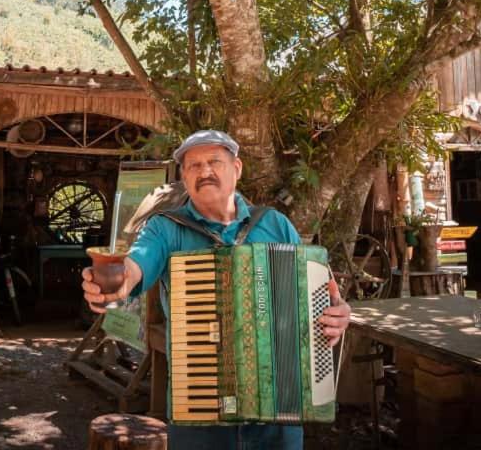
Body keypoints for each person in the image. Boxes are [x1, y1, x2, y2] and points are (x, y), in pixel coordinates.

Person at [82, 130, 352, 450]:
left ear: (236, 169)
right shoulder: (165, 228)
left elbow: (323, 296)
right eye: (194, 165)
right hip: (200, 414)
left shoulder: (276, 225)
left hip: (280, 412)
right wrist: (113, 282)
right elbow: (134, 267)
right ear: (184, 176)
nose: (204, 171)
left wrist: (339, 313)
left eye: (214, 162)